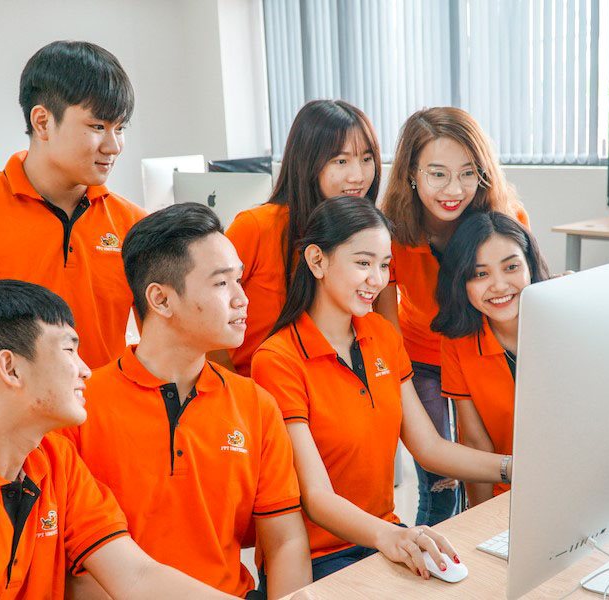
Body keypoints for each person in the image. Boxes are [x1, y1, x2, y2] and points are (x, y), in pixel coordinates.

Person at [250, 197, 512, 581]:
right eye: (363, 263)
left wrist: (512, 468)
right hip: (319, 555)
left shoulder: (382, 335)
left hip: (383, 537)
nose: (377, 279)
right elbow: (317, 497)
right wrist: (390, 536)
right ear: (317, 261)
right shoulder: (277, 360)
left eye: (385, 265)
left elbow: (429, 448)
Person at [0, 280, 231, 600]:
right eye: (69, 350)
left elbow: (137, 576)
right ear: (10, 368)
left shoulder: (55, 457)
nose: (85, 370)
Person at [62, 203, 311, 599]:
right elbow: (75, 570)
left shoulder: (256, 405)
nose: (242, 299)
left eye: (239, 280)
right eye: (221, 283)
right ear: (161, 300)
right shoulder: (79, 409)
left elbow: (285, 542)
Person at [0, 40, 146, 407]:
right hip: (12, 427)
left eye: (120, 128)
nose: (113, 146)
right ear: (42, 122)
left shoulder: (133, 223)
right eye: (98, 126)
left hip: (105, 422)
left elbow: (159, 344)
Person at [376, 107, 529, 525]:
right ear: (412, 173)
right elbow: (385, 328)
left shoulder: (507, 218)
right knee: (441, 485)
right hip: (421, 359)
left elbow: (524, 288)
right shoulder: (392, 233)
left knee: (494, 463)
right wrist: (401, 387)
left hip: (480, 355)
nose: (454, 189)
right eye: (438, 174)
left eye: (467, 173)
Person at [210, 99, 381, 376]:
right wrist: (233, 388)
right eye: (341, 161)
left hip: (333, 386)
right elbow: (206, 310)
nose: (358, 176)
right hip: (260, 386)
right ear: (308, 163)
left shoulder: (364, 235)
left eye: (366, 159)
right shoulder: (257, 227)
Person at [431, 211, 549, 505]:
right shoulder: (457, 342)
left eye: (511, 267)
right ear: (461, 282)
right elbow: (475, 440)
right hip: (507, 494)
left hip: (575, 484)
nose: (498, 286)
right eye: (480, 274)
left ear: (530, 265)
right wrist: (479, 520)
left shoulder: (565, 320)